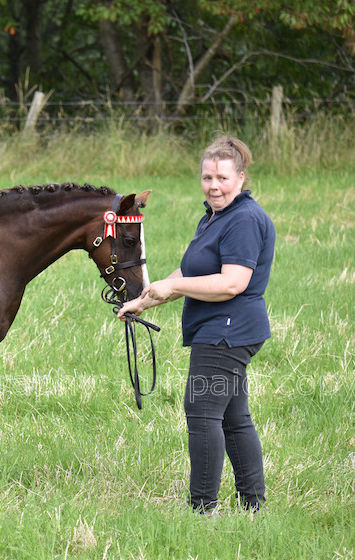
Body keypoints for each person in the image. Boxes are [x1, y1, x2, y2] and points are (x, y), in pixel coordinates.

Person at [118, 136, 275, 514]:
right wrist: (144, 300)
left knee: (202, 410)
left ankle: (202, 509)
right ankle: (254, 507)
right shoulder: (216, 216)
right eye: (207, 177)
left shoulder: (245, 220)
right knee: (234, 417)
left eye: (222, 177)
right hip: (222, 328)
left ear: (240, 177)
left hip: (228, 330)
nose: (214, 185)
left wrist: (172, 286)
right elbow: (191, 272)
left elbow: (232, 282)